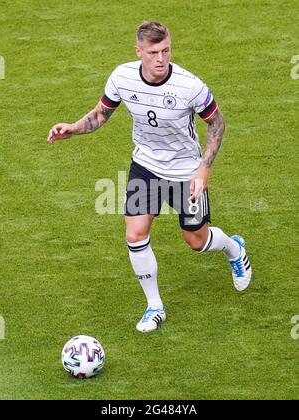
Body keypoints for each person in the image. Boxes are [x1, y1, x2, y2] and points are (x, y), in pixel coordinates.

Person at [47, 21, 252, 333]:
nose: (161, 58)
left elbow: (217, 124)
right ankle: (154, 307)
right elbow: (102, 113)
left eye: (166, 50)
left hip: (186, 171)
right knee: (135, 234)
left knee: (196, 241)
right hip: (146, 166)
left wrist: (204, 169)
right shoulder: (122, 77)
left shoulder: (189, 86)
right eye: (154, 52)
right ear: (139, 51)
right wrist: (73, 128)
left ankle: (233, 248)